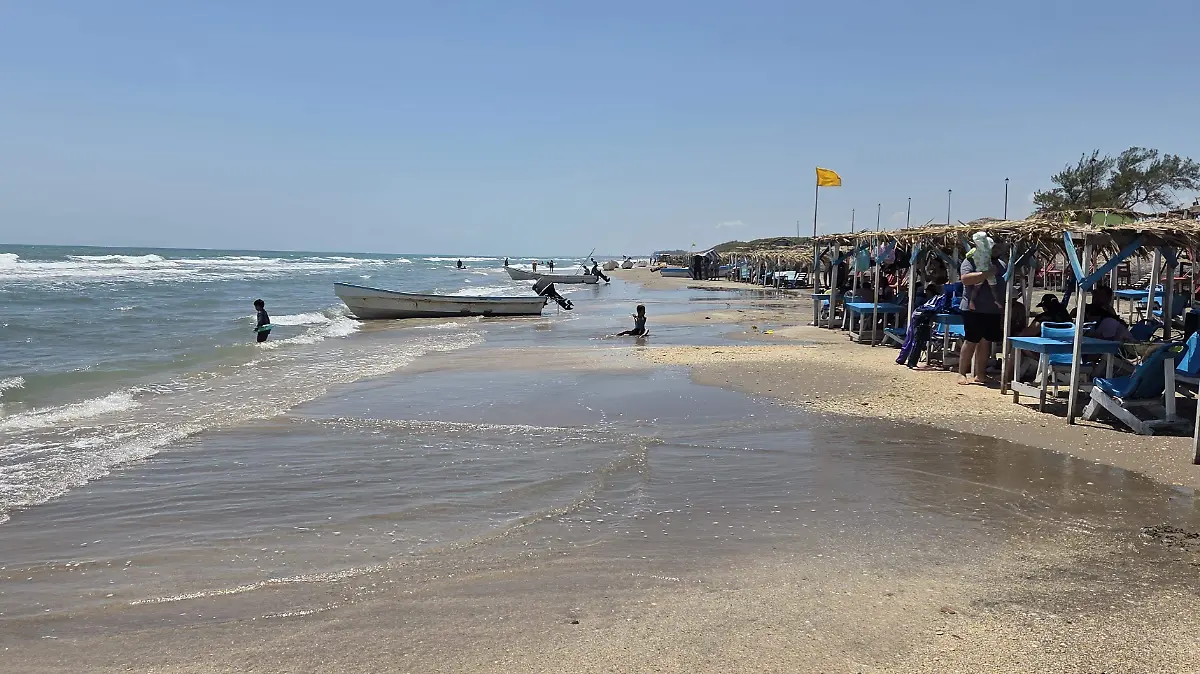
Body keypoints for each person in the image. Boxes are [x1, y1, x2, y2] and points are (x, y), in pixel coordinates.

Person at [958, 241, 1007, 385]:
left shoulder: (1002, 264)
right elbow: (965, 280)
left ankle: (980, 374)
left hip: (992, 310)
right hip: (973, 309)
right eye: (995, 246)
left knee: (986, 342)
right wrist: (985, 274)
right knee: (971, 341)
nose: (998, 249)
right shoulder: (971, 260)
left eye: (1000, 247)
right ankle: (962, 373)